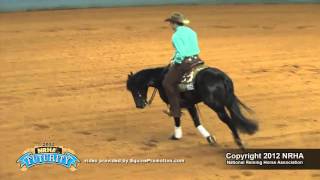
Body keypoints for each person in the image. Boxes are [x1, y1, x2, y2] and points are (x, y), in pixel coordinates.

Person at [162, 12, 202, 118]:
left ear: (175, 23)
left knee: (167, 83)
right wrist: (174, 57)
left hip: (185, 62)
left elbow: (182, 53)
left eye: (171, 23)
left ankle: (175, 111)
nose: (170, 25)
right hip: (196, 59)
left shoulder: (176, 36)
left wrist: (176, 61)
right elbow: (188, 47)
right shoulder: (191, 32)